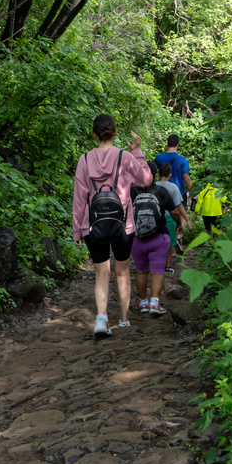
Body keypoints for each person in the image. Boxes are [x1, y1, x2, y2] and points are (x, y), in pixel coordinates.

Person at [72, 114, 152, 338]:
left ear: (94, 135)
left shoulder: (84, 160)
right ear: (115, 133)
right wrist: (137, 151)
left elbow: (79, 199)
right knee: (122, 272)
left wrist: (77, 230)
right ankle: (124, 320)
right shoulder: (125, 157)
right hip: (123, 225)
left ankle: (101, 319)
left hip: (93, 225)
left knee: (101, 273)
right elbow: (146, 180)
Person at [131, 162, 184, 316]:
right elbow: (174, 212)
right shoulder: (161, 191)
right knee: (157, 272)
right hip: (159, 237)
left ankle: (143, 304)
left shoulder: (131, 192)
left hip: (137, 238)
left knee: (141, 272)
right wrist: (179, 223)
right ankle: (154, 304)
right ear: (155, 175)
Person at [155, 161, 190, 273]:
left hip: (156, 218)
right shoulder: (173, 187)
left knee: (157, 241)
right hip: (170, 219)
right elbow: (179, 205)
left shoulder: (153, 186)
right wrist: (186, 219)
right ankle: (168, 265)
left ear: (158, 174)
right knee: (171, 243)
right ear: (170, 175)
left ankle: (157, 263)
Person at [155, 134, 192, 208]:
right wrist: (193, 193)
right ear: (178, 144)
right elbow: (186, 179)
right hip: (179, 193)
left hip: (162, 192)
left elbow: (155, 174)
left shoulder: (158, 157)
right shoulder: (182, 159)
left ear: (168, 144)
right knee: (181, 214)